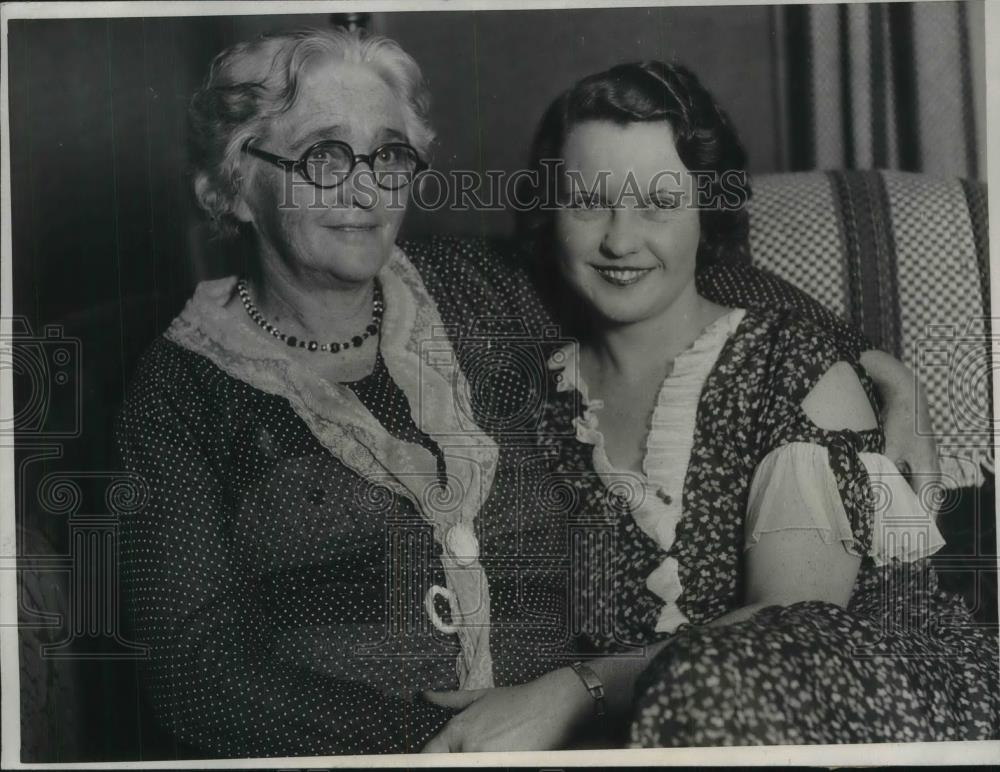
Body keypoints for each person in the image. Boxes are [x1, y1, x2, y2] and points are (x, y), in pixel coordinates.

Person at [117, 28, 942, 757]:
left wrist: (880, 367)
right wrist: (448, 745)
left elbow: (675, 268)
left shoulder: (474, 291)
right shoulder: (179, 391)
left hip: (602, 727)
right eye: (325, 156)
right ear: (228, 187)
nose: (366, 190)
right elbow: (199, 671)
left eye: (391, 155)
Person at [418, 60, 999, 752]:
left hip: (876, 700)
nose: (620, 239)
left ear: (706, 212)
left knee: (712, 680)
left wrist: (574, 693)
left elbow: (790, 623)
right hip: (669, 732)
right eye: (587, 202)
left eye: (659, 205)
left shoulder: (792, 366)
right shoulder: (534, 396)